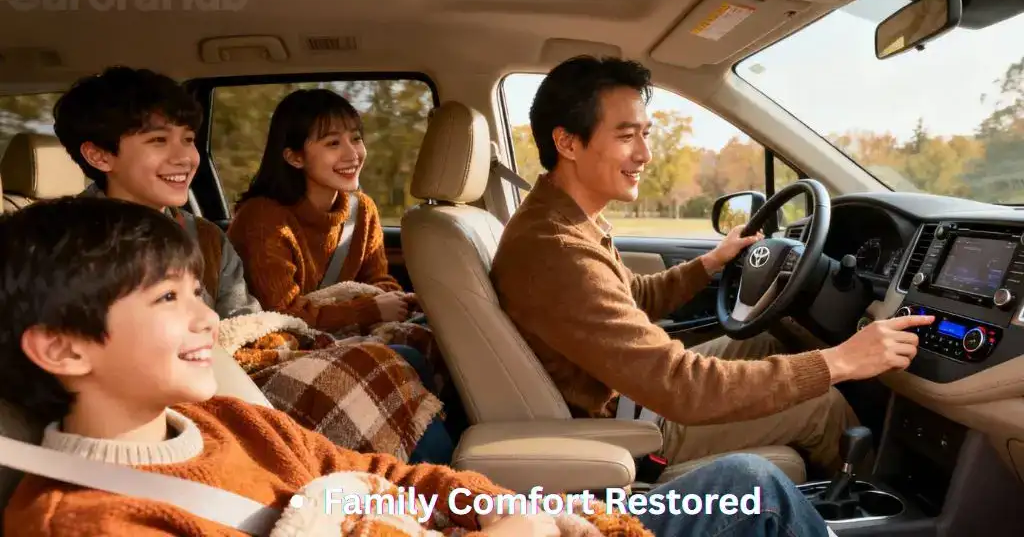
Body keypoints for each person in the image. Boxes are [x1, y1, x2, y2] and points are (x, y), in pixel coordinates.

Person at [0, 196, 837, 536]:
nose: (208, 319)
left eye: (197, 292)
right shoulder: (81, 523)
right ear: (63, 347)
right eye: (167, 301)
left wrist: (519, 510)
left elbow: (376, 474)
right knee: (754, 493)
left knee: (744, 486)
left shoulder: (229, 420)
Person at [489, 55, 935, 476]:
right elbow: (680, 386)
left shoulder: (563, 221)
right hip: (628, 428)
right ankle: (877, 503)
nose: (645, 154)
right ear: (567, 142)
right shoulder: (556, 250)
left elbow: (631, 297)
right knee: (821, 406)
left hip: (633, 393)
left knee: (764, 341)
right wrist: (840, 361)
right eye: (626, 137)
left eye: (646, 134)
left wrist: (710, 262)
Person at [52, 67, 452, 464]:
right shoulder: (70, 245)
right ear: (99, 155)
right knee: (378, 363)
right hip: (176, 400)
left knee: (397, 358)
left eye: (188, 139)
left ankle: (410, 482)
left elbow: (246, 322)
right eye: (158, 140)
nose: (184, 157)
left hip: (236, 372)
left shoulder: (205, 236)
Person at [225, 88, 455, 414]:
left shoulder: (362, 210)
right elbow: (283, 313)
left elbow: (379, 282)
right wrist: (370, 310)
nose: (353, 154)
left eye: (356, 139)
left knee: (438, 340)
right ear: (295, 157)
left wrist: (387, 302)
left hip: (341, 334)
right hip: (286, 346)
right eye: (333, 143)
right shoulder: (262, 219)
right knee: (405, 359)